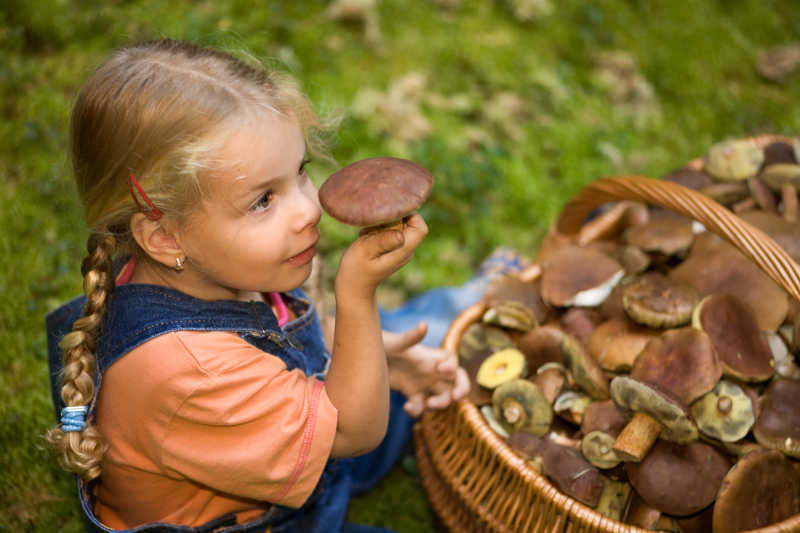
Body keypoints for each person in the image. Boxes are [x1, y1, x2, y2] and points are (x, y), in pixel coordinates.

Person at [44, 39, 473, 533]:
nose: (309, 210)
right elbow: (355, 432)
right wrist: (358, 296)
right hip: (276, 516)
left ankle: (488, 297)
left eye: (300, 173)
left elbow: (284, 343)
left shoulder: (217, 266)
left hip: (291, 425)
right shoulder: (189, 374)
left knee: (444, 336)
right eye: (263, 200)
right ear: (163, 236)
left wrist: (377, 358)